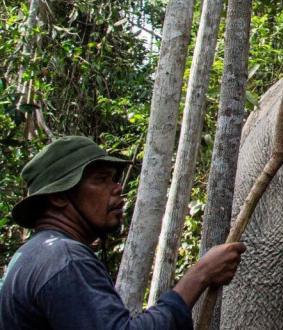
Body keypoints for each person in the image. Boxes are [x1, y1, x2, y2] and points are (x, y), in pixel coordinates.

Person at [1, 136, 246, 329]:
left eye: (115, 179)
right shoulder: (66, 260)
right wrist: (200, 274)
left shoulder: (32, 255)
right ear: (58, 197)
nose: (118, 188)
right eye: (101, 179)